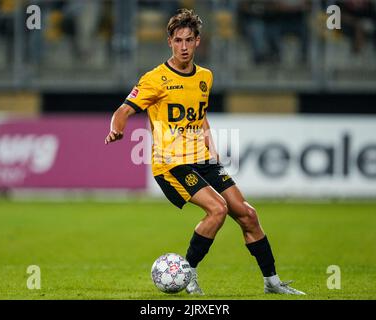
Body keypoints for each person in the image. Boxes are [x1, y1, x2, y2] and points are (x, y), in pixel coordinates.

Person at [104, 8, 305, 296]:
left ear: (198, 41)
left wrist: (211, 146)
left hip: (202, 159)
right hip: (171, 164)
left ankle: (272, 281)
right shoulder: (154, 79)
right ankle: (188, 273)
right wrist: (117, 129)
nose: (183, 47)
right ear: (169, 42)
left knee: (248, 214)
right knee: (217, 209)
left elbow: (200, 117)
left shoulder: (205, 77)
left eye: (189, 40)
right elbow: (123, 110)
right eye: (177, 40)